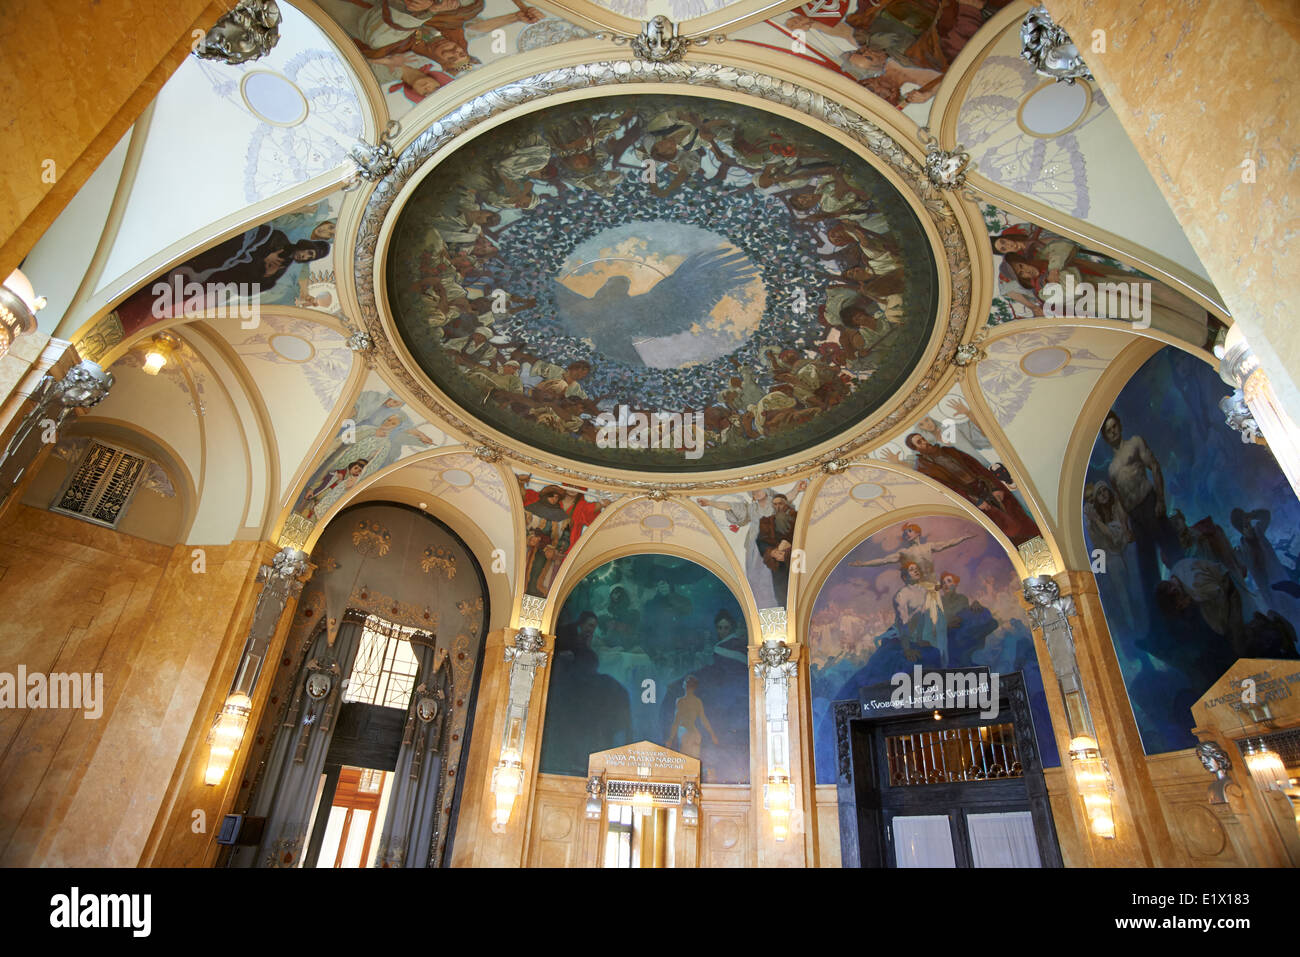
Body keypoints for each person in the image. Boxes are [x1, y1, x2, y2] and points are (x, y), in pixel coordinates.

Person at [1101, 410, 1182, 595]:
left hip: (1149, 503)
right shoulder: (1111, 468)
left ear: (1120, 426)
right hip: (1135, 516)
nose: (1113, 432)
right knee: (1147, 567)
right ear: (1105, 437)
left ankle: (1187, 587)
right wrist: (1126, 528)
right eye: (1108, 430)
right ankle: (1161, 604)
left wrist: (1160, 499)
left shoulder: (1134, 443)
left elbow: (1154, 466)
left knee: (1171, 549)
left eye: (1114, 427)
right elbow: (1119, 499)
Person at [849, 521, 974, 583]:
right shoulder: (904, 552)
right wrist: (864, 564)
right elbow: (884, 560)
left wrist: (963, 537)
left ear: (918, 533)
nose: (906, 534)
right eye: (905, 533)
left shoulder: (929, 546)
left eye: (909, 531)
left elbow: (948, 543)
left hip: (932, 583)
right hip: (917, 585)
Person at [756, 493, 799, 605]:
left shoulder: (799, 518)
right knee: (782, 594)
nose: (778, 507)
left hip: (796, 559)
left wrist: (789, 552)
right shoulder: (767, 522)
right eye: (775, 504)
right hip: (778, 564)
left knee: (799, 588)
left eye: (780, 504)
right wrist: (772, 553)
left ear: (787, 504)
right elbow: (761, 541)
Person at [665, 676, 717, 759]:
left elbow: (676, 721)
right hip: (695, 734)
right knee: (694, 762)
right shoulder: (697, 701)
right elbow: (704, 720)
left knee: (686, 762)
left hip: (685, 733)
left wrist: (670, 739)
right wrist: (712, 734)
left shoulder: (681, 701)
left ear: (685, 686)